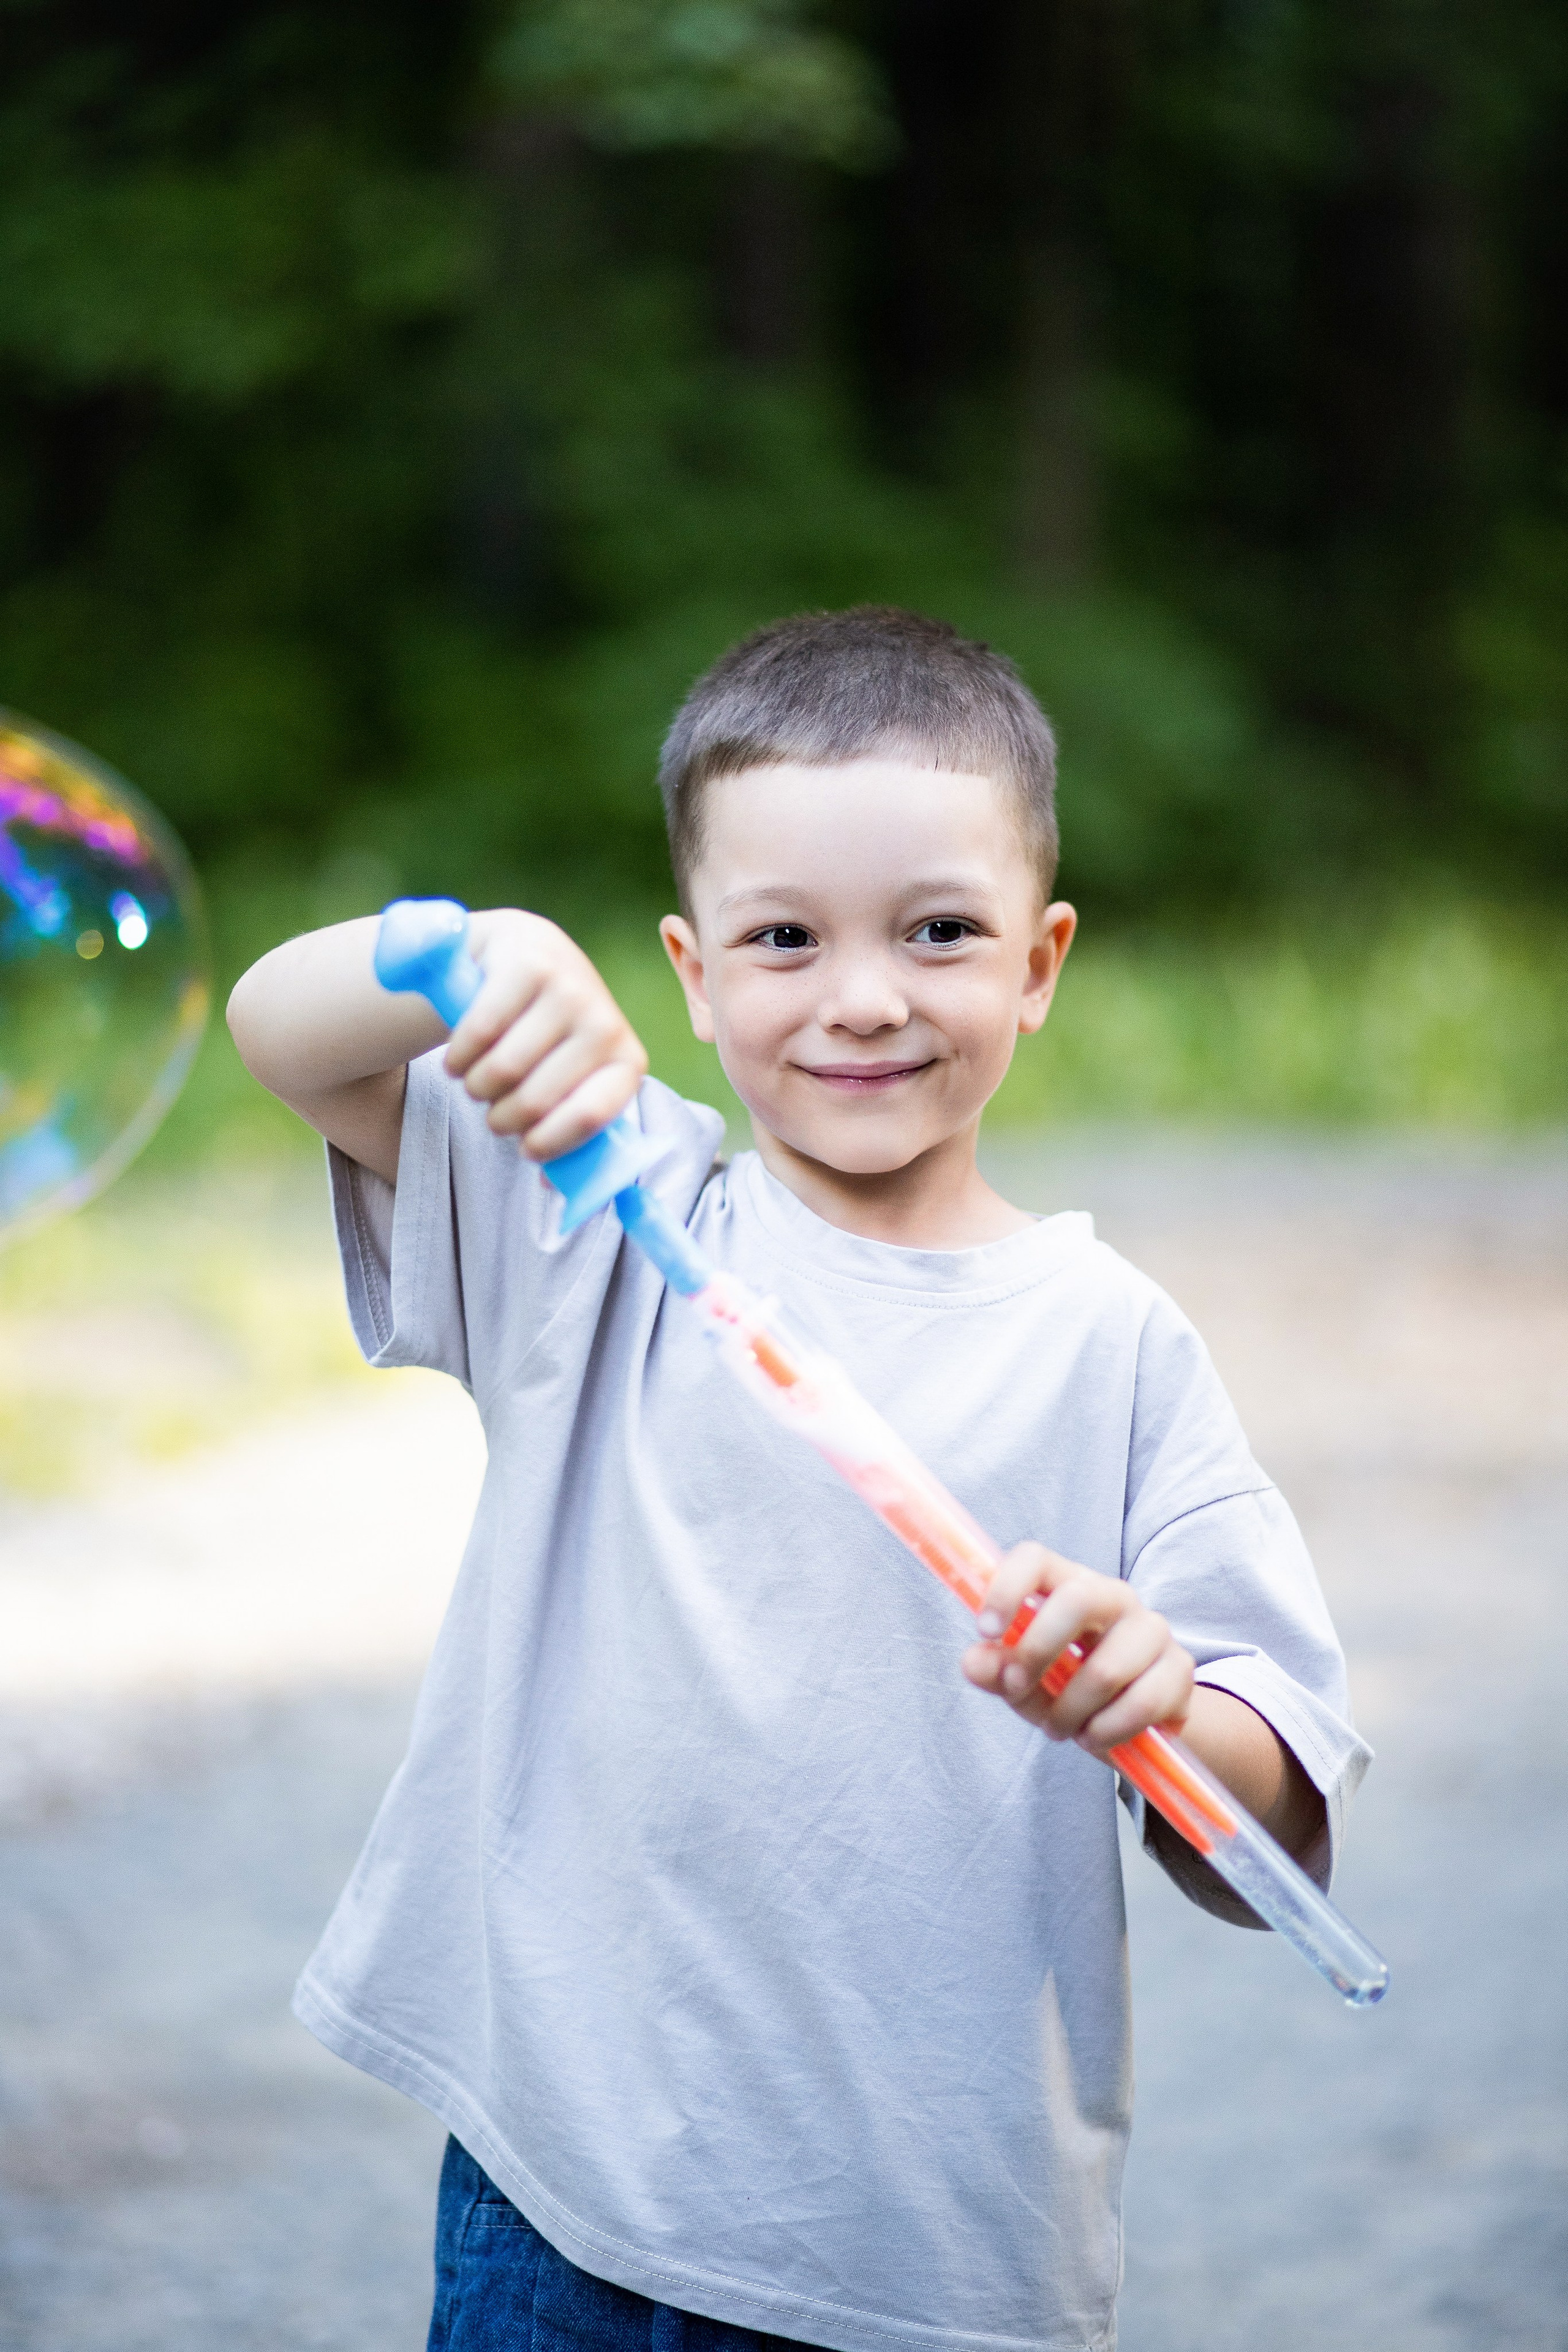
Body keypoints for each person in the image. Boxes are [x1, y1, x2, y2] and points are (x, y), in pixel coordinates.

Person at [227, 606, 1370, 2352]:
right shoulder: (600, 1216)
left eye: (938, 931)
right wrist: (454, 949)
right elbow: (280, 1032)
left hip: (933, 2263)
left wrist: (1170, 1703)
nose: (862, 997)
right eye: (783, 937)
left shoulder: (1112, 1347)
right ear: (688, 974)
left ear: (1041, 962)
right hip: (563, 2208)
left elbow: (1264, 1836)